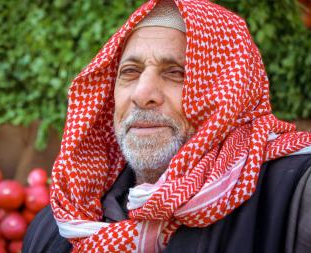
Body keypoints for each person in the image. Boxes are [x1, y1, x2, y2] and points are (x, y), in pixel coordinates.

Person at [23, 0, 311, 252]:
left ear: (231, 95)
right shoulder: (55, 228)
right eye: (130, 72)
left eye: (176, 73)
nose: (142, 94)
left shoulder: (294, 198)